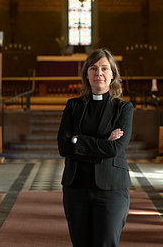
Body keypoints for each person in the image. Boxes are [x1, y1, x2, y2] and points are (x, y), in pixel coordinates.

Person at [57, 48, 133, 247]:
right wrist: (103, 142)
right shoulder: (73, 106)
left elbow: (115, 148)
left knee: (106, 243)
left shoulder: (123, 108)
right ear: (86, 75)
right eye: (93, 68)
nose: (99, 73)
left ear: (113, 74)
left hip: (111, 189)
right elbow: (63, 146)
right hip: (76, 187)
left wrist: (78, 140)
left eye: (104, 68)